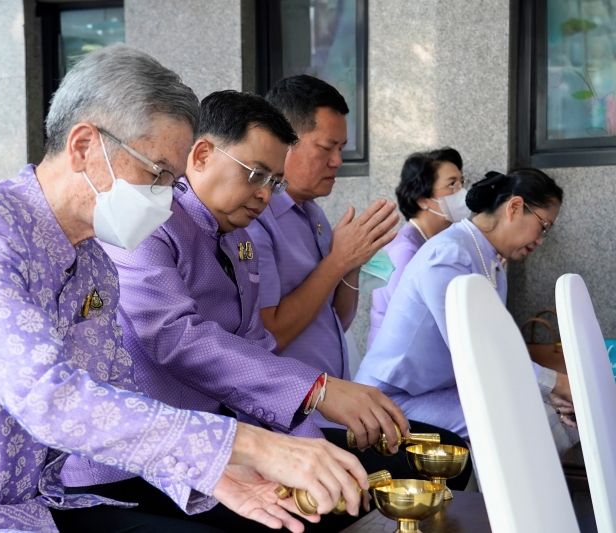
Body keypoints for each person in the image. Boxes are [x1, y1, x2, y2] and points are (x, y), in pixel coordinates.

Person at [0, 46, 367, 533]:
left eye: (173, 183)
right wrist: (245, 444)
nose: (167, 198)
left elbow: (113, 403)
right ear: (84, 146)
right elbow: (51, 398)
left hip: (26, 508)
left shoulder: (95, 265)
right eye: (156, 174)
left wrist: (211, 474)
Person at [57, 89, 398, 533]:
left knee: (336, 500)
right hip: (127, 464)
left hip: (213, 444)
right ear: (199, 155)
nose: (264, 195)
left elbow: (254, 346)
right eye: (255, 174)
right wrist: (315, 391)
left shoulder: (239, 240)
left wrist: (311, 449)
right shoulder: (147, 220)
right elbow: (175, 336)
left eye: (274, 181)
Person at [247, 75, 472, 488]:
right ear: (284, 142)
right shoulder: (255, 218)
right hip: (289, 416)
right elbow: (270, 333)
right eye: (327, 148)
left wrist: (351, 265)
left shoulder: (312, 214)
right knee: (431, 465)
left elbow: (337, 319)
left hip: (336, 403)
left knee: (447, 453)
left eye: (341, 149)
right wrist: (337, 262)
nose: (338, 161)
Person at [354, 169, 577, 443]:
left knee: (550, 414)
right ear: (515, 207)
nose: (541, 239)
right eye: (543, 226)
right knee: (519, 420)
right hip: (388, 399)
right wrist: (557, 384)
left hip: (434, 393)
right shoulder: (449, 254)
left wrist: (548, 390)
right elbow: (477, 350)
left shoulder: (488, 260)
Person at [367, 148, 466, 349]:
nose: (462, 192)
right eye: (452, 184)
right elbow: (414, 318)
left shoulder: (433, 241)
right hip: (395, 366)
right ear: (423, 199)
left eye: (463, 183)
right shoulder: (404, 250)